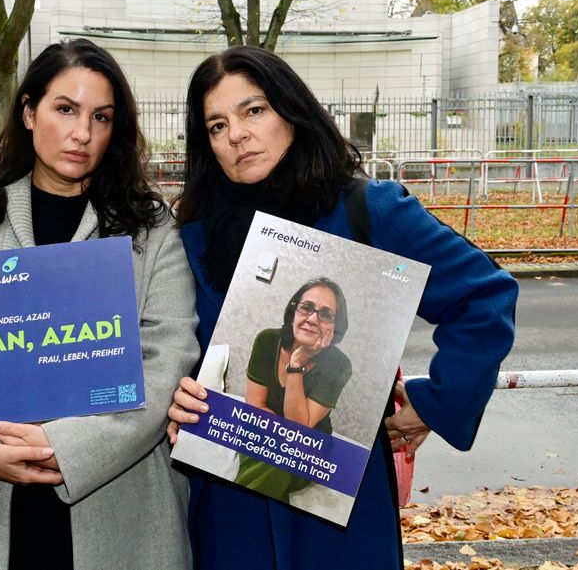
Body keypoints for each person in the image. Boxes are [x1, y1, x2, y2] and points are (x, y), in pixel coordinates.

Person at [166, 46, 518, 570]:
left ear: (293, 112)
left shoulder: (369, 210)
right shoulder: (190, 237)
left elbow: (484, 296)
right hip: (229, 498)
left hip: (336, 501)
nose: (236, 134)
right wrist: (176, 397)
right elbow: (170, 351)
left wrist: (438, 402)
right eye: (216, 126)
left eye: (253, 110)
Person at [0, 39, 199, 570]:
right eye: (65, 109)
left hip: (116, 506)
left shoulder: (151, 229)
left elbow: (166, 359)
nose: (83, 134)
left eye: (101, 117)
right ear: (29, 112)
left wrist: (67, 447)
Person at [235, 277, 352, 502]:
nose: (312, 319)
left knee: (279, 456)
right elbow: (255, 406)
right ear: (293, 311)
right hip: (261, 431)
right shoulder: (268, 340)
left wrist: (296, 364)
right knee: (275, 456)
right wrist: (278, 441)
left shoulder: (339, 365)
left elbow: (299, 430)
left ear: (335, 327)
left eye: (326, 314)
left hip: (309, 447)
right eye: (306, 307)